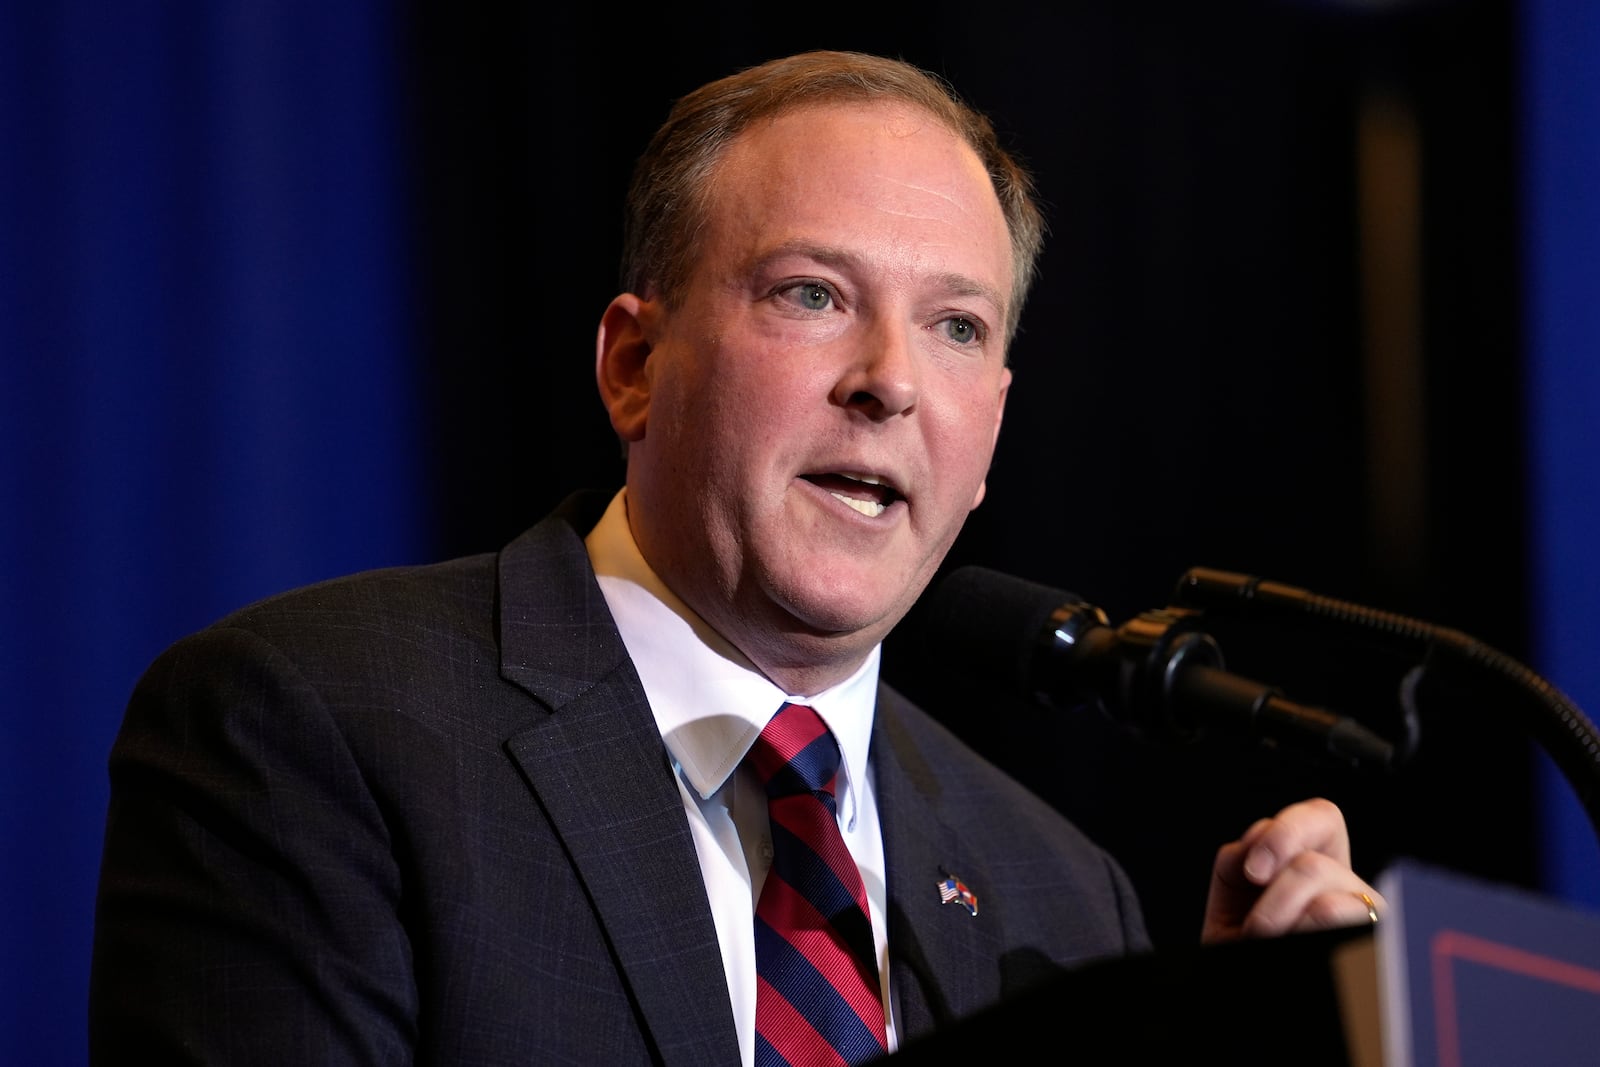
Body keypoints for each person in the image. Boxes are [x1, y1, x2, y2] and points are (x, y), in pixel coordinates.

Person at [89, 50, 1384, 1065]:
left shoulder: (1061, 893)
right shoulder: (317, 732)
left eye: (953, 325)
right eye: (812, 295)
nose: (888, 383)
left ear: (991, 430)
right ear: (634, 367)